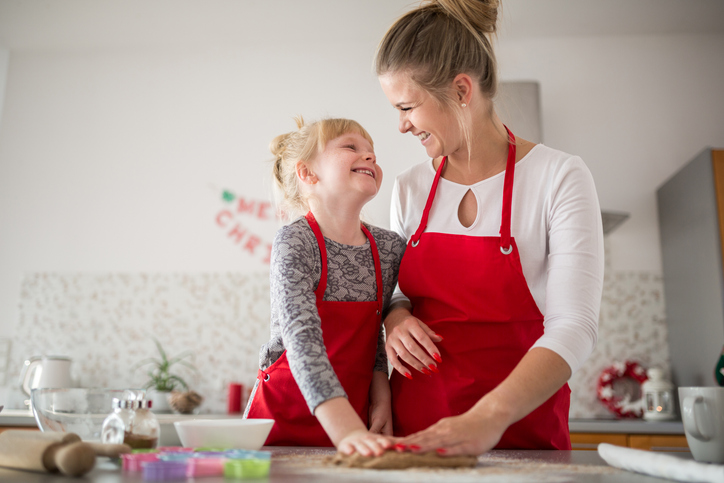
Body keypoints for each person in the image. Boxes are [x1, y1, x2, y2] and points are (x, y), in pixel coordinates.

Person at [375, 0, 604, 455]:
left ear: (462, 90)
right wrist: (395, 317)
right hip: (417, 441)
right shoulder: (409, 189)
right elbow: (397, 292)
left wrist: (487, 418)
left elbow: (574, 326)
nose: (400, 126)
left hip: (522, 439)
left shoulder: (559, 177)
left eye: (407, 107)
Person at [244, 117, 406, 456]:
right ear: (308, 174)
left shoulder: (389, 248)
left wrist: (381, 396)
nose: (370, 156)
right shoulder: (295, 240)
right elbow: (300, 338)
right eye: (351, 147)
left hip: (355, 424)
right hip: (281, 424)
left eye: (371, 151)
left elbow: (373, 334)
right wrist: (343, 429)